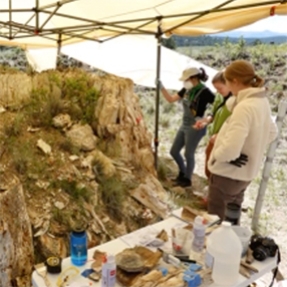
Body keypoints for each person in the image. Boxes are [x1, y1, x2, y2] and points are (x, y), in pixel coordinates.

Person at [207, 60, 278, 220]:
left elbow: (229, 151)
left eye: (226, 82)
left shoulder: (244, 107)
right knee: (231, 220)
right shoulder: (261, 101)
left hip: (227, 175)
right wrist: (249, 147)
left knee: (216, 225)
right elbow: (272, 132)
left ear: (235, 81)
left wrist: (220, 152)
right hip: (244, 175)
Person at [159, 67, 215, 187]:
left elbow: (218, 108)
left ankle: (187, 179)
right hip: (184, 124)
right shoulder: (187, 89)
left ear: (194, 78)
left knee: (188, 154)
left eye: (186, 79)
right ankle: (182, 172)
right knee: (174, 151)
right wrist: (161, 88)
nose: (184, 82)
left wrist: (207, 119)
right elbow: (171, 99)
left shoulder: (206, 92)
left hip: (196, 126)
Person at [194, 71, 233, 179]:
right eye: (216, 89)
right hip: (213, 138)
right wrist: (206, 120)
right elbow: (214, 113)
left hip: (224, 141)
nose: (217, 91)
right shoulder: (219, 97)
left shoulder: (236, 102)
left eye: (220, 88)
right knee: (209, 166)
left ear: (229, 84)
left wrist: (219, 135)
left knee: (217, 169)